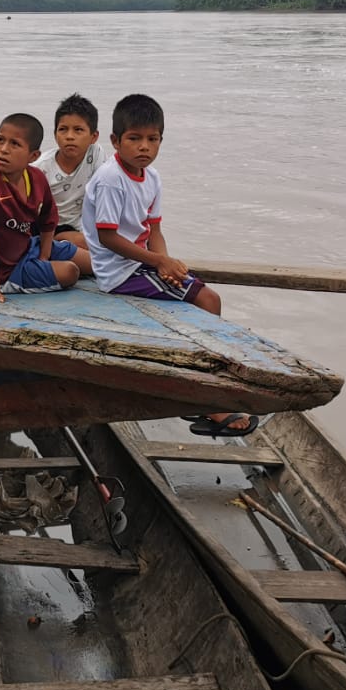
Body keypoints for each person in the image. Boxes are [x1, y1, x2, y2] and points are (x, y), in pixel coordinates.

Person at [82, 93, 256, 437]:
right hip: (119, 272)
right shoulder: (110, 179)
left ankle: (201, 376)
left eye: (152, 139)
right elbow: (109, 239)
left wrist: (168, 266)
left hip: (141, 264)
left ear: (161, 140)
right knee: (208, 301)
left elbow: (154, 230)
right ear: (116, 141)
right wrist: (160, 261)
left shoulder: (152, 178)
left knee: (195, 292)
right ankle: (207, 396)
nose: (143, 147)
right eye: (134, 139)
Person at [0, 113, 80, 306]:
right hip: (7, 270)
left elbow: (49, 220)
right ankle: (14, 280)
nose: (4, 149)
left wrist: (43, 256)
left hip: (29, 247)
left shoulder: (36, 177)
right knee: (71, 272)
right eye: (0, 140)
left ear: (33, 156)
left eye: (14, 144)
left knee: (93, 262)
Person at [35, 92, 104, 256]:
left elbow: (104, 194)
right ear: (55, 135)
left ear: (93, 137)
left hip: (82, 224)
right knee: (89, 249)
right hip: (52, 229)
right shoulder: (40, 169)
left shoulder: (95, 154)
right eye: (63, 130)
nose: (70, 136)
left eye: (78, 130)